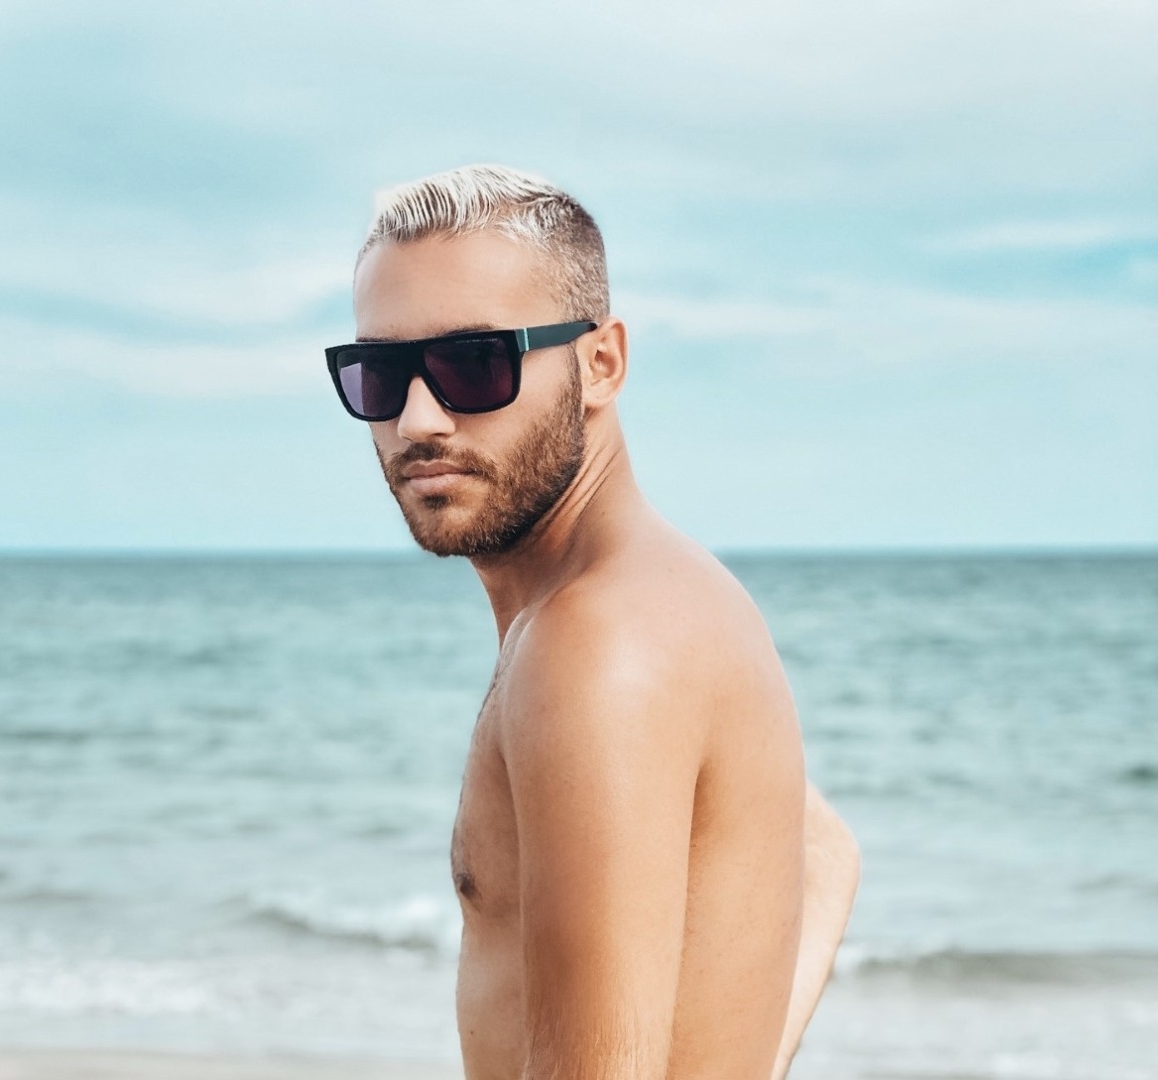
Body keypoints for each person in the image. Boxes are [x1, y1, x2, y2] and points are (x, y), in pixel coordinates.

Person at [326, 165, 860, 1080]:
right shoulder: (672, 595)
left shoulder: (595, 648)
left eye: (473, 365)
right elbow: (822, 855)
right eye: (380, 374)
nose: (417, 419)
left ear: (600, 363)